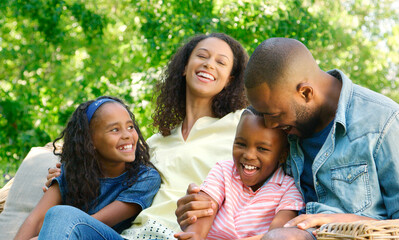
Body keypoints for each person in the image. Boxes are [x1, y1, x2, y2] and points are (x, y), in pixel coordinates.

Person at [175, 37, 399, 239]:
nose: (270, 124)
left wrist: (348, 221)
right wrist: (201, 210)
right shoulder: (288, 129)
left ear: (305, 93)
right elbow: (251, 195)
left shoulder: (387, 124)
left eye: (273, 115)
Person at [42, 33, 249, 239]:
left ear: (230, 80)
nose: (209, 64)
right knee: (62, 216)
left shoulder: (242, 124)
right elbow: (107, 176)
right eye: (202, 56)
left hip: (182, 235)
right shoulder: (155, 143)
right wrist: (67, 173)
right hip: (131, 235)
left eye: (221, 62)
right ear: (185, 67)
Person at [14, 96, 161, 239]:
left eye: (130, 127)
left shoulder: (145, 177)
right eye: (115, 130)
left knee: (61, 214)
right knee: (58, 215)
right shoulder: (70, 173)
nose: (127, 135)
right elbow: (35, 220)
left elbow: (91, 223)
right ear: (90, 141)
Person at [174, 108, 305, 240]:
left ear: (283, 155)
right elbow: (201, 218)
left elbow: (277, 234)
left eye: (262, 149)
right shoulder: (223, 171)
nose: (248, 155)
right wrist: (193, 235)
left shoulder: (289, 188)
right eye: (241, 144)